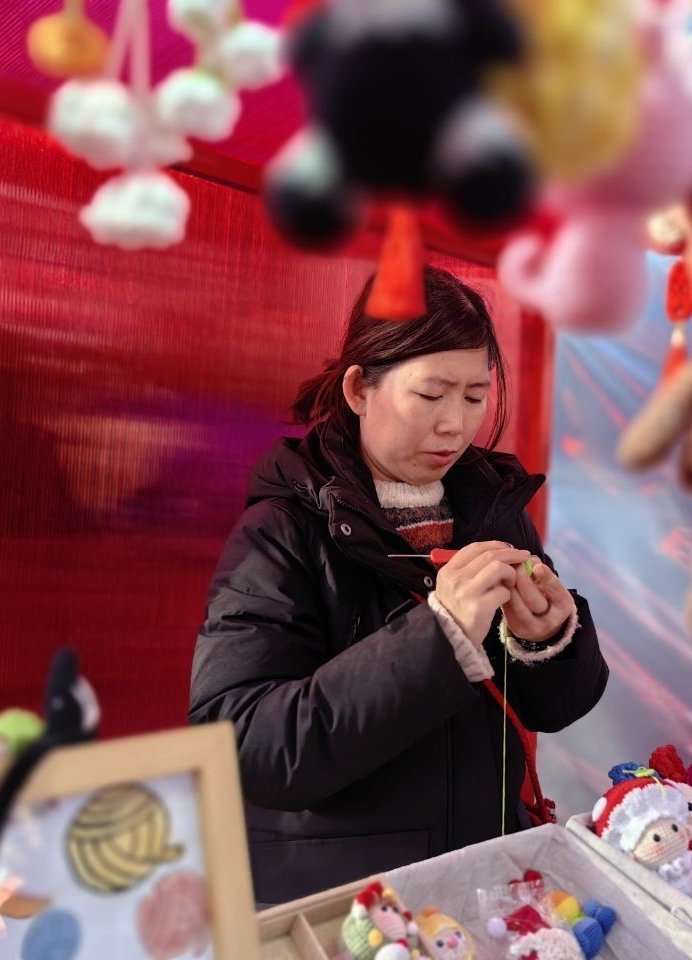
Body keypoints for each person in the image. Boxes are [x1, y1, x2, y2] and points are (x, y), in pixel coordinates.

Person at [189, 266, 608, 905]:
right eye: (431, 394)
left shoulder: (491, 509)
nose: (454, 426)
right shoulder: (281, 529)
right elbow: (242, 743)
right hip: (348, 903)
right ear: (360, 388)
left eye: (474, 396)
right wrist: (439, 637)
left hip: (480, 882)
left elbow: (552, 709)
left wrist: (550, 638)